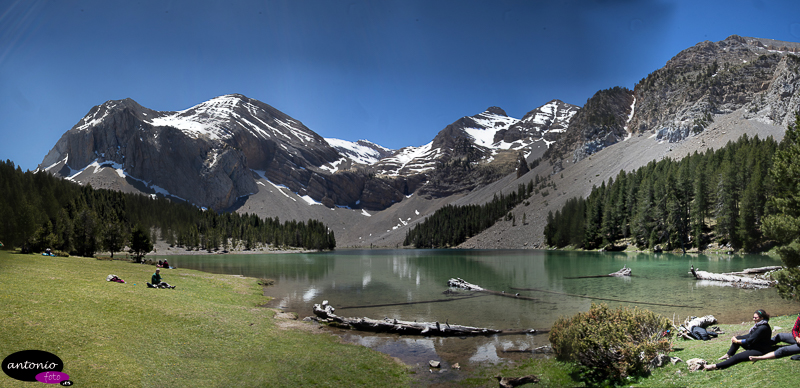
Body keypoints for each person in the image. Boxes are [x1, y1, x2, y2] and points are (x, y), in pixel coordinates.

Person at [704, 309, 772, 370]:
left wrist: (736, 341)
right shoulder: (760, 325)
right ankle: (728, 355)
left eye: (756, 318)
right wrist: (737, 338)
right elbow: (751, 335)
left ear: (762, 318)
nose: (753, 319)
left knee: (738, 357)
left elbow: (749, 341)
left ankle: (714, 366)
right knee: (738, 337)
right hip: (756, 345)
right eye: (753, 317)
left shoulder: (762, 328)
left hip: (761, 350)